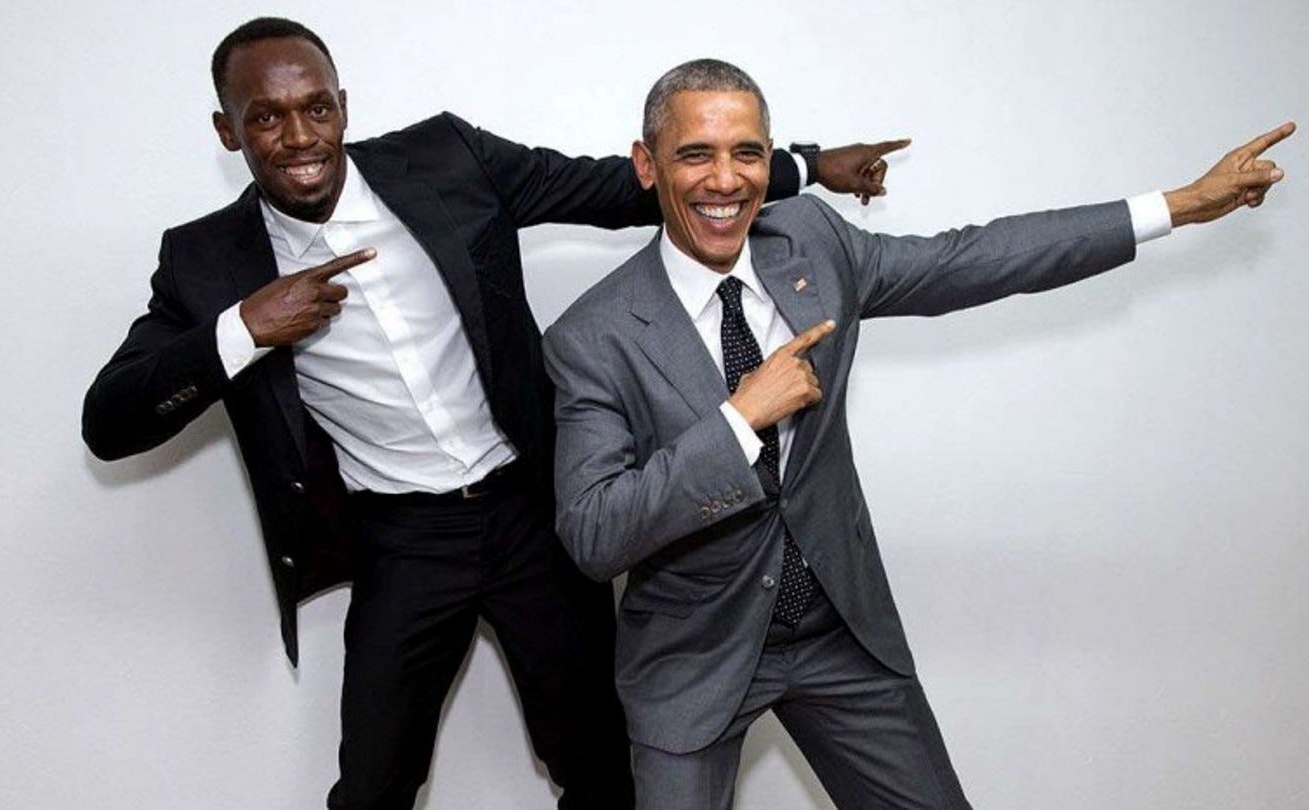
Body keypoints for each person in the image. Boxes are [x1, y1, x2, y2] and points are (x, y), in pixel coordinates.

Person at [81, 18, 904, 809]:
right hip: (404, 540)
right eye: (266, 118)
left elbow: (616, 184)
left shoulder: (444, 158)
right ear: (227, 132)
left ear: (343, 106)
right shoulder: (204, 259)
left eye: (316, 108)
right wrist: (242, 328)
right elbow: (110, 424)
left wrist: (810, 165)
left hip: (532, 513)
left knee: (597, 764)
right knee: (372, 785)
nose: (300, 137)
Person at [544, 58, 1291, 809]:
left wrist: (1178, 206)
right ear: (647, 164)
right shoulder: (594, 336)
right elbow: (594, 533)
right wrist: (740, 421)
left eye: (747, 153)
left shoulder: (811, 242)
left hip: (840, 634)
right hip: (694, 660)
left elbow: (976, 258)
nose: (726, 180)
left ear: (769, 159)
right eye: (695, 154)